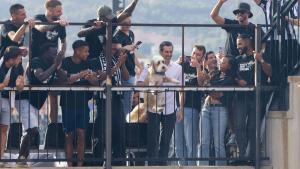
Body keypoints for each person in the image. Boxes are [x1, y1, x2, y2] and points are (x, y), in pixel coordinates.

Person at [17, 43, 65, 166]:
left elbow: (63, 79)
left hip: (35, 103)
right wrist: (55, 65)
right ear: (46, 51)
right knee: (32, 129)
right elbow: (41, 77)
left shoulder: (52, 65)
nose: (55, 54)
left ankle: (22, 159)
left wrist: (58, 66)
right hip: (24, 99)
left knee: (30, 131)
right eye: (54, 51)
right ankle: (21, 158)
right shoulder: (36, 61)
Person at [137, 41, 184, 166]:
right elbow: (140, 84)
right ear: (161, 52)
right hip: (153, 108)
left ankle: (162, 165)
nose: (168, 54)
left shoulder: (178, 68)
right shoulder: (150, 66)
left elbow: (181, 89)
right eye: (166, 52)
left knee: (166, 140)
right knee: (152, 140)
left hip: (171, 108)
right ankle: (152, 166)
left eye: (170, 52)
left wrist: (181, 109)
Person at [90, 38, 129, 166]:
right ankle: (98, 162)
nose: (114, 51)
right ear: (104, 47)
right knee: (100, 132)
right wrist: (118, 64)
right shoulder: (96, 61)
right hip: (103, 99)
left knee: (119, 130)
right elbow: (103, 76)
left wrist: (122, 64)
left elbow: (126, 77)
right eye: (111, 49)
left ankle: (118, 162)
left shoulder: (115, 60)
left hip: (117, 98)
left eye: (115, 49)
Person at [234, 34, 272, 165]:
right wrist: (239, 80)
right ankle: (242, 155)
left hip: (255, 98)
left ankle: (251, 158)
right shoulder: (238, 59)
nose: (237, 47)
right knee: (239, 126)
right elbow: (233, 75)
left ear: (248, 42)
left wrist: (261, 60)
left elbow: (270, 72)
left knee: (252, 128)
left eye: (240, 44)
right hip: (241, 98)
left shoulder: (259, 56)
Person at [59, 40, 97, 166]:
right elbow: (65, 80)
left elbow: (96, 83)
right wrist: (80, 75)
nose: (88, 54)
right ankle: (69, 165)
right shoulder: (65, 62)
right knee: (69, 135)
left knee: (81, 134)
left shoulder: (88, 63)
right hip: (67, 103)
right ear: (77, 50)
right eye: (85, 51)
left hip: (83, 104)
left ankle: (80, 165)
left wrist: (91, 78)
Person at [32, 0, 68, 123]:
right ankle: (32, 127)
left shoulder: (60, 24)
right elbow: (41, 28)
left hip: (53, 61)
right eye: (59, 10)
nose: (61, 13)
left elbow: (63, 41)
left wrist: (62, 54)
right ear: (50, 9)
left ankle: (53, 126)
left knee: (53, 94)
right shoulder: (39, 18)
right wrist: (56, 23)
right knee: (34, 96)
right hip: (37, 61)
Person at [197, 52, 235, 166]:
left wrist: (209, 87)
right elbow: (205, 88)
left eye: (222, 62)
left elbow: (215, 93)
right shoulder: (215, 74)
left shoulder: (228, 78)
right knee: (203, 142)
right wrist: (209, 86)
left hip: (220, 109)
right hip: (206, 108)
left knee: (219, 143)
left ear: (229, 66)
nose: (219, 62)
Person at [174, 45, 205, 166]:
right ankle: (181, 165)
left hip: (192, 108)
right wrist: (177, 62)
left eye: (198, 54)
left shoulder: (202, 68)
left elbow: (201, 84)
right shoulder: (182, 66)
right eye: (193, 53)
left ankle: (192, 166)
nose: (194, 56)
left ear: (202, 57)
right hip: (177, 106)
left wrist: (198, 68)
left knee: (190, 142)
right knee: (178, 142)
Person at [0, 46, 24, 167]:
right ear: (12, 58)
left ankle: (1, 158)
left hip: (6, 99)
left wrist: (20, 84)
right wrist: (2, 85)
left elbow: (20, 84)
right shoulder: (1, 65)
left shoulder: (17, 67)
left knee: (4, 129)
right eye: (19, 58)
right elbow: (3, 84)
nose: (20, 60)